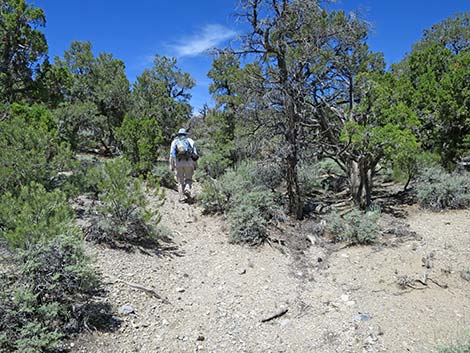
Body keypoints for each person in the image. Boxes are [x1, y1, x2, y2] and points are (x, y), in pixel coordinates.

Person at [169, 128, 198, 202]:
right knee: (188, 179)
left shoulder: (175, 142)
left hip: (178, 163)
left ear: (178, 134)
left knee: (180, 181)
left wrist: (172, 166)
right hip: (189, 162)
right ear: (185, 134)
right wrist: (195, 165)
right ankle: (187, 188)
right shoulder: (190, 141)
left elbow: (172, 155)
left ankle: (181, 198)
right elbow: (195, 155)